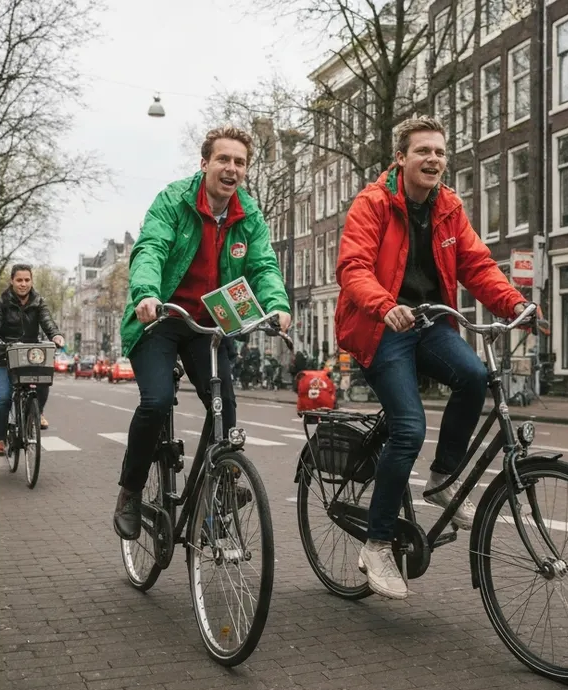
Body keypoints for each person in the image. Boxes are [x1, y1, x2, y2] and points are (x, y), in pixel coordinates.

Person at [335, 116, 533, 600]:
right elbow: (353, 268)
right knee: (408, 428)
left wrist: (514, 304)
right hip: (380, 326)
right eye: (423, 151)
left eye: (440, 152)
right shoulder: (372, 203)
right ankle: (377, 543)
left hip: (430, 322)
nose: (433, 159)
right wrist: (384, 305)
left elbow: (477, 264)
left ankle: (444, 477)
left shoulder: (448, 207)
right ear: (400, 158)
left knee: (474, 376)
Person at [112, 126, 292, 541]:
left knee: (224, 405)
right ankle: (130, 491)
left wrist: (277, 304)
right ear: (205, 163)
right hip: (161, 317)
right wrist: (146, 294)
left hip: (207, 325)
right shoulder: (174, 200)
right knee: (156, 401)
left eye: (240, 162)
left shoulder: (249, 215)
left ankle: (217, 494)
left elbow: (263, 265)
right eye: (223, 159)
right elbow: (151, 249)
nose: (232, 168)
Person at [0, 264, 65, 453]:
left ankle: (37, 412)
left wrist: (55, 335)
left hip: (30, 355)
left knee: (43, 379)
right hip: (4, 355)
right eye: (19, 280)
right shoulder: (1, 302)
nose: (23, 284)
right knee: (2, 398)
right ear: (12, 281)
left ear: (31, 281)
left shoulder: (38, 302)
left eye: (27, 280)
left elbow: (47, 321)